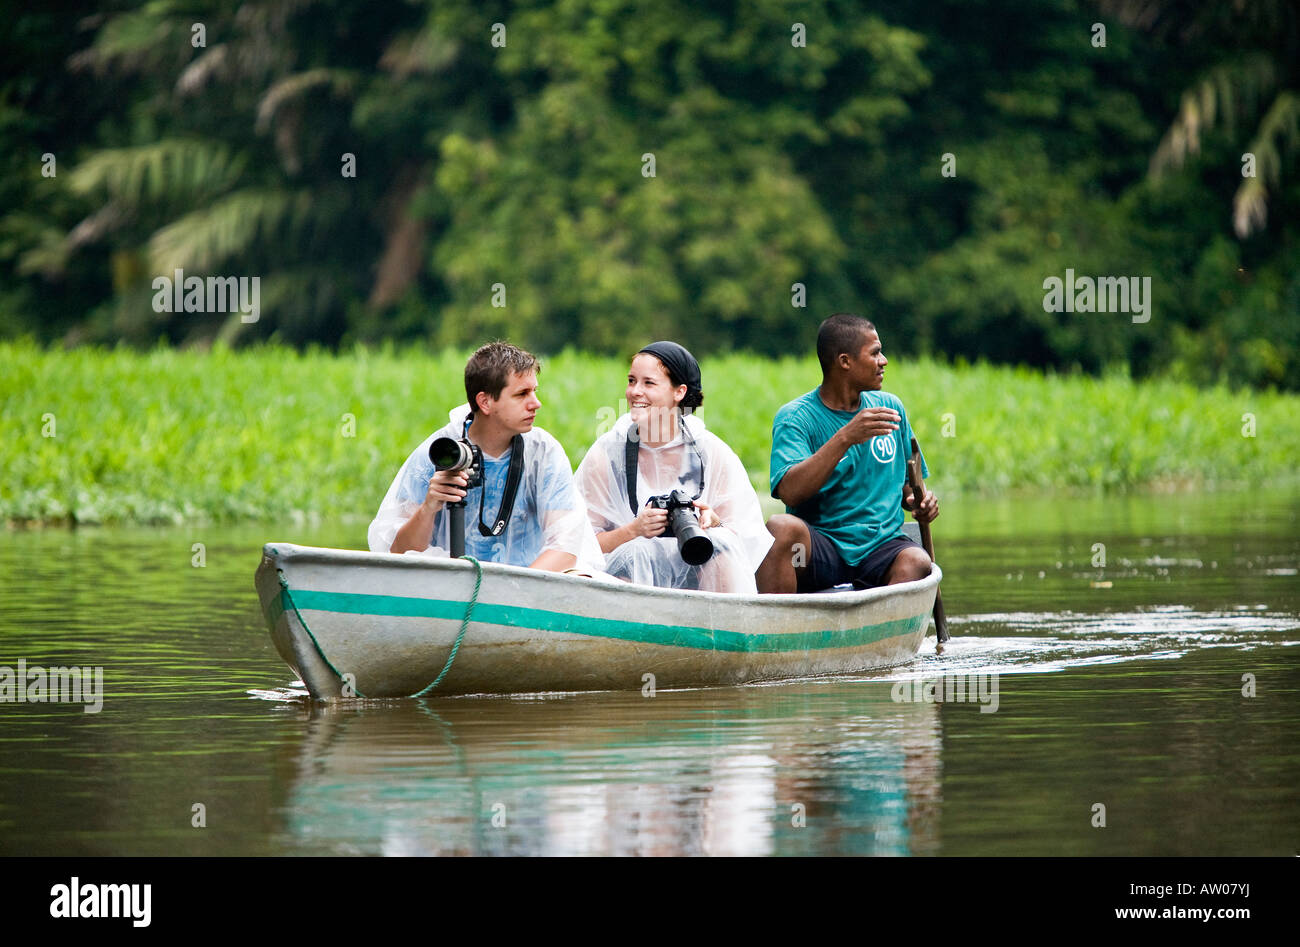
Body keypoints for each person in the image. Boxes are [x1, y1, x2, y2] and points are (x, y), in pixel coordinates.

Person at [368, 341, 604, 573]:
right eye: (522, 394)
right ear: (485, 402)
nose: (536, 404)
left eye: (535, 391)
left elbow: (565, 547)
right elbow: (399, 555)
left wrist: (508, 594)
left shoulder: (544, 453)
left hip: (528, 593)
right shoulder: (439, 452)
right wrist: (430, 507)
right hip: (448, 591)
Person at [757, 313, 938, 593]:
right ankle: (778, 632)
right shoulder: (795, 418)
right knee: (780, 528)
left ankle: (879, 632)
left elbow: (910, 488)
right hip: (823, 546)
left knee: (916, 560)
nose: (884, 361)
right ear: (845, 361)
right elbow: (791, 493)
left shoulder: (890, 408)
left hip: (881, 547)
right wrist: (845, 437)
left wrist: (920, 502)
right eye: (875, 353)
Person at [575, 341, 773, 593]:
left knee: (721, 546)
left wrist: (713, 523)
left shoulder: (711, 452)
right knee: (637, 553)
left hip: (701, 576)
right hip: (626, 582)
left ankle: (722, 630)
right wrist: (634, 530)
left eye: (648, 383)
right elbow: (578, 545)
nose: (635, 391)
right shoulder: (607, 453)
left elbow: (745, 540)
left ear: (679, 392)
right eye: (631, 380)